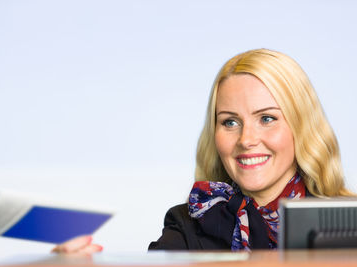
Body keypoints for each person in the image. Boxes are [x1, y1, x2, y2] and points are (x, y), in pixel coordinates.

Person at [52, 48, 355, 254]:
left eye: (267, 118)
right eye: (230, 122)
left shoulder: (349, 224)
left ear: (301, 127)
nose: (246, 139)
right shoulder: (188, 225)